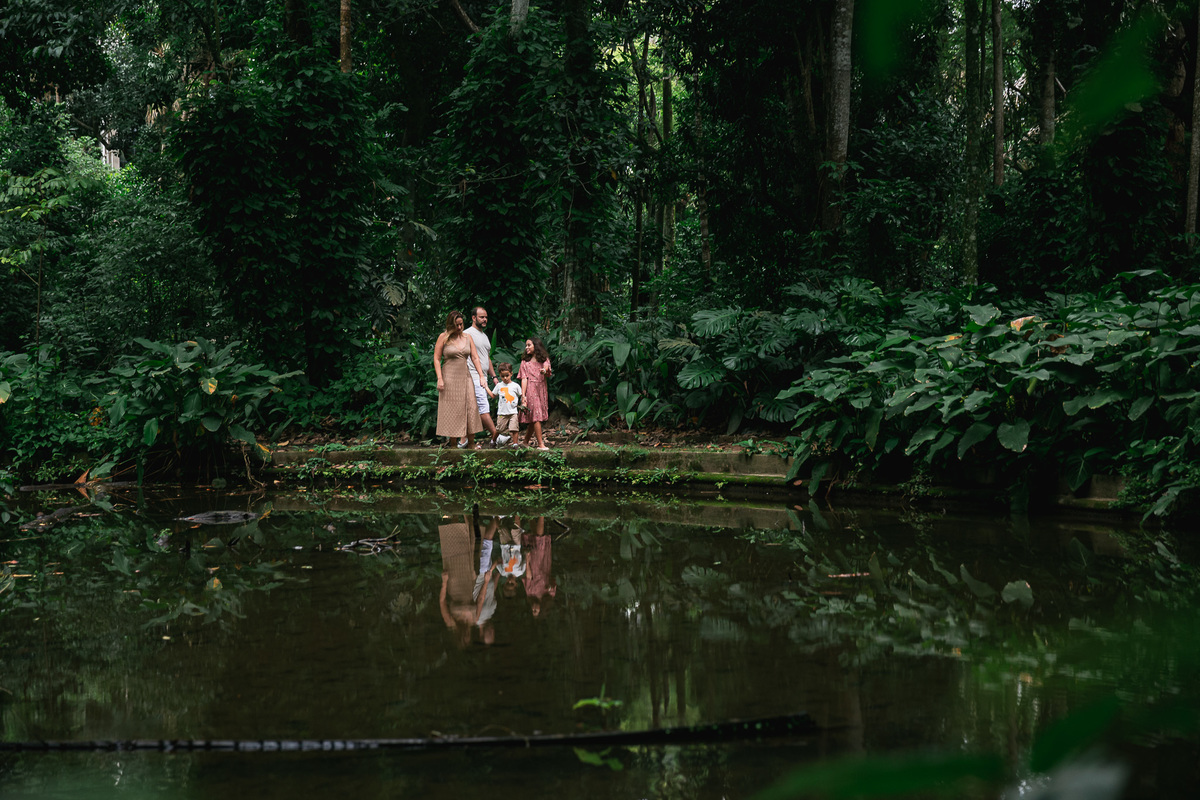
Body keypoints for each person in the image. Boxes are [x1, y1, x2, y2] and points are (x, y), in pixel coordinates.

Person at [434, 311, 491, 449]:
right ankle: (453, 445)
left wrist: (482, 376)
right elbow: (436, 358)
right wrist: (440, 378)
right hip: (449, 377)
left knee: (471, 407)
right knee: (453, 409)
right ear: (450, 325)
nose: (459, 328)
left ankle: (471, 443)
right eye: (456, 325)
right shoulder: (443, 337)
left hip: (466, 377)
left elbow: (475, 357)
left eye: (461, 324)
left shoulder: (468, 337)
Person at [465, 306, 506, 446]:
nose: (485, 320)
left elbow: (486, 358)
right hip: (473, 376)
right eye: (482, 317)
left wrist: (494, 377)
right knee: (483, 406)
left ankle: (464, 440)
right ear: (473, 318)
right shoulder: (467, 334)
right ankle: (496, 437)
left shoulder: (484, 336)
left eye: (486, 317)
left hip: (483, 376)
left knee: (476, 408)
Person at [518, 336, 552, 450]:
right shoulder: (525, 362)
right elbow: (524, 379)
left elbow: (546, 367)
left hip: (541, 388)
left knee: (534, 417)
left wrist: (544, 370)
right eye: (526, 345)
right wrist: (523, 396)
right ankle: (540, 444)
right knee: (536, 416)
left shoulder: (544, 359)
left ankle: (525, 442)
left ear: (536, 346)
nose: (526, 348)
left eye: (529, 345)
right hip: (531, 389)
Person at [491, 362, 522, 448]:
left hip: (513, 412)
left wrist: (524, 401)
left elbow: (521, 395)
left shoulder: (515, 386)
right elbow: (493, 395)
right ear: (500, 376)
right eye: (502, 376)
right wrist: (486, 387)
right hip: (502, 412)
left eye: (507, 375)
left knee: (514, 428)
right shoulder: (499, 386)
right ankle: (493, 441)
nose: (505, 378)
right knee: (499, 429)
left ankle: (515, 444)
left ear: (511, 374)